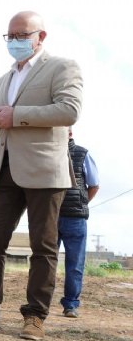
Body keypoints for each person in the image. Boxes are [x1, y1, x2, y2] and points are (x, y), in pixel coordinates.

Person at [0, 11, 83, 340]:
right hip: (6, 168)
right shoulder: (5, 79)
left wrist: (16, 115)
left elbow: (70, 110)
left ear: (41, 36)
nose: (15, 41)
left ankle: (35, 316)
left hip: (44, 170)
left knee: (43, 246)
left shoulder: (62, 67)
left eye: (22, 35)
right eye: (10, 36)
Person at [58, 130, 99, 318]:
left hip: (75, 218)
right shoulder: (47, 150)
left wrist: (82, 203)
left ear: (70, 132)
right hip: (50, 216)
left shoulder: (83, 154)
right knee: (45, 261)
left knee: (75, 264)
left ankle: (71, 305)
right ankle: (40, 304)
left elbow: (94, 185)